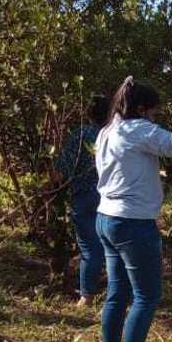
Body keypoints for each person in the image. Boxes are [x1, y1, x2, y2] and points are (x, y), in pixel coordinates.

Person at [95, 76, 172, 342]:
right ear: (142, 109)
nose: (156, 118)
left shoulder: (107, 131)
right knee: (147, 296)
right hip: (133, 223)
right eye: (154, 112)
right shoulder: (141, 130)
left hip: (106, 217)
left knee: (117, 294)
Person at [53, 94, 108, 307]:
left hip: (83, 197)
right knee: (110, 247)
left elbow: (60, 172)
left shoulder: (80, 135)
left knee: (90, 249)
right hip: (109, 200)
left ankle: (86, 297)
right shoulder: (114, 136)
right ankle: (114, 294)